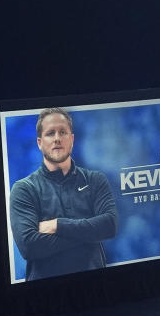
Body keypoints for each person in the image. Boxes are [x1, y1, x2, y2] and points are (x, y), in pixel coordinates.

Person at [9, 107, 118, 281]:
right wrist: (89, 233)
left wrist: (57, 225)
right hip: (44, 294)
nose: (57, 139)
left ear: (72, 139)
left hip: (96, 288)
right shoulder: (24, 189)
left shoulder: (95, 180)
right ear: (39, 142)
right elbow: (29, 246)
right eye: (50, 133)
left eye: (63, 132)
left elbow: (109, 226)